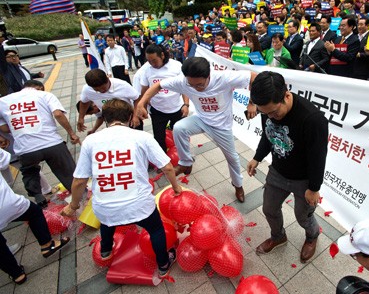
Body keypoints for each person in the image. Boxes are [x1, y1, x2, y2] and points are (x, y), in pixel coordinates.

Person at [62, 99, 182, 279]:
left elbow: (79, 181)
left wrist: (73, 206)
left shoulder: (91, 141)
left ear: (105, 118)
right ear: (129, 116)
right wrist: (176, 187)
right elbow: (167, 167)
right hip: (139, 205)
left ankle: (106, 250)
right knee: (156, 230)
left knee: (107, 221)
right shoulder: (142, 137)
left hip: (104, 207)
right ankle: (163, 264)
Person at [136, 57, 257, 203]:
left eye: (199, 84)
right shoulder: (183, 81)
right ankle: (186, 162)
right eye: (191, 85)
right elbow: (157, 86)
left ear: (209, 75)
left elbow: (253, 77)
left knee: (233, 158)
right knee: (179, 127)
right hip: (201, 119)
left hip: (221, 126)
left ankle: (238, 185)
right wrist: (141, 103)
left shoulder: (223, 77)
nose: (195, 88)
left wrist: (252, 103)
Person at [247, 71, 328, 263]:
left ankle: (312, 236)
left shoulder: (313, 119)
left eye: (274, 112)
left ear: (287, 95)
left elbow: (318, 157)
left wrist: (314, 188)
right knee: (269, 208)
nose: (271, 117)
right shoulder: (267, 109)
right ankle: (278, 236)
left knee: (303, 217)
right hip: (278, 171)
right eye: (265, 113)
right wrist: (257, 157)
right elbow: (268, 135)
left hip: (304, 179)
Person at [0, 80, 79, 207]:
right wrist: (71, 133)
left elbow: (4, 128)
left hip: (26, 148)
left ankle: (39, 197)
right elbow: (58, 114)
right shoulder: (45, 95)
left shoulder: (3, 101)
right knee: (67, 171)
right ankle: (81, 197)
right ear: (39, 87)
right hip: (52, 143)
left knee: (29, 172)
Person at [0, 147, 70, 285]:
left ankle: (17, 274)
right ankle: (47, 244)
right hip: (5, 203)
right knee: (34, 212)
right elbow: (6, 162)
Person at [140, 44, 189, 153]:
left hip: (177, 108)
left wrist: (186, 104)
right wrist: (142, 106)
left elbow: (184, 87)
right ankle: (163, 161)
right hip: (158, 110)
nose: (152, 64)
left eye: (154, 60)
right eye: (149, 61)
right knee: (159, 137)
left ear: (162, 55)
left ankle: (185, 157)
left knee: (181, 135)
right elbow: (144, 90)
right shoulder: (146, 69)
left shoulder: (176, 66)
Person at [77, 69, 141, 133]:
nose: (101, 91)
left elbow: (137, 98)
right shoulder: (87, 90)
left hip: (130, 118)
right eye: (97, 90)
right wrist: (81, 118)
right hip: (110, 121)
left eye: (103, 88)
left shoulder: (122, 85)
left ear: (108, 79)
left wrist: (135, 116)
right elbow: (84, 102)